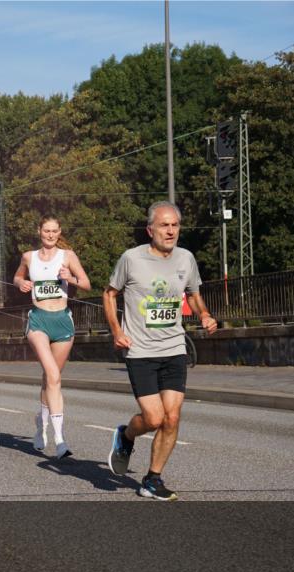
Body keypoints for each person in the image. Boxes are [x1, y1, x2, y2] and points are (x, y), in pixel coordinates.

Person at [104, 201, 217, 501]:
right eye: (164, 225)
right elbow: (109, 293)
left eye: (175, 225)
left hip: (174, 347)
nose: (170, 231)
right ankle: (126, 436)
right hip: (140, 350)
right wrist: (117, 332)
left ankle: (152, 480)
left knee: (173, 417)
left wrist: (204, 314)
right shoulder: (131, 258)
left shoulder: (186, 258)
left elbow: (194, 294)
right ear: (150, 229)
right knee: (153, 419)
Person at [13, 216, 90, 459]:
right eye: (46, 230)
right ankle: (60, 440)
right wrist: (21, 283)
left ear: (59, 232)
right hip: (38, 321)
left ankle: (40, 424)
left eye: (55, 231)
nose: (50, 235)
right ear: (39, 231)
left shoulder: (68, 256)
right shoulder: (29, 257)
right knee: (54, 376)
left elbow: (86, 284)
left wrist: (70, 278)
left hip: (62, 321)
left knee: (51, 379)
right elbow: (17, 277)